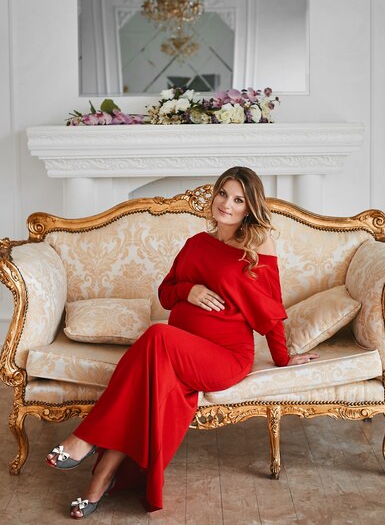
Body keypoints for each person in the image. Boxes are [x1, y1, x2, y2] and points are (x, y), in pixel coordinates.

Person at [45, 166, 319, 519]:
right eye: (223, 194)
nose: (227, 204)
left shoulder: (256, 248)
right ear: (214, 195)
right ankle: (102, 476)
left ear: (249, 208)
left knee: (156, 335)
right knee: (146, 390)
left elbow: (270, 312)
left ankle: (85, 439)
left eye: (238, 200)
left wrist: (283, 359)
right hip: (178, 352)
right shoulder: (195, 244)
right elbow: (165, 293)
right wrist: (190, 290)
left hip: (225, 358)